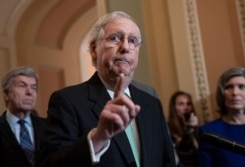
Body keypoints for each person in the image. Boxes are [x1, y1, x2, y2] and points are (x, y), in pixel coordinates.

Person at [36, 11, 176, 167]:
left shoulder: (152, 104)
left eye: (132, 40)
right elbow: (49, 163)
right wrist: (98, 138)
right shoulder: (67, 101)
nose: (125, 47)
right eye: (115, 38)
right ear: (94, 49)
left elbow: (167, 161)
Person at [198, 67, 245, 167]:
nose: (235, 93)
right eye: (229, 87)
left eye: (242, 87)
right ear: (222, 94)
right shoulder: (209, 132)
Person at [0, 66, 46, 167]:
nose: (29, 92)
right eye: (22, 86)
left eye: (34, 87)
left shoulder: (49, 127)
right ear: (6, 94)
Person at [168, 91, 199, 167]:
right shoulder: (168, 128)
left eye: (188, 104)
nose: (186, 108)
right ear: (174, 108)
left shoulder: (198, 127)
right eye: (181, 104)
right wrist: (188, 131)